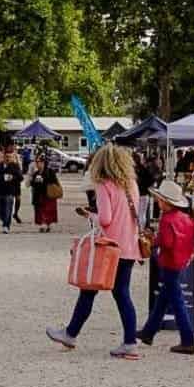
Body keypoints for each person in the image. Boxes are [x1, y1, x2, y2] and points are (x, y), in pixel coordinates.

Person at [46, 143, 144, 359]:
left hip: (109, 247)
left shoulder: (104, 185)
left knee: (88, 290)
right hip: (128, 246)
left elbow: (106, 219)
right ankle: (130, 342)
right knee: (122, 294)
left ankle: (70, 334)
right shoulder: (131, 185)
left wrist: (90, 215)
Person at [137, 179, 194, 354]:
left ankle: (187, 341)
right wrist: (191, 248)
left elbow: (166, 242)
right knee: (163, 299)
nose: (157, 201)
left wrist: (153, 241)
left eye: (159, 199)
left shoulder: (166, 219)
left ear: (165, 202)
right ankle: (148, 332)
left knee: (177, 302)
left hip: (169, 263)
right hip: (180, 261)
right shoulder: (184, 217)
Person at [0, 147, 23, 232]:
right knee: (0, 208)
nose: (8, 158)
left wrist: (13, 177)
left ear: (12, 157)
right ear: (3, 157)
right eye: (6, 157)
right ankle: (3, 219)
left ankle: (6, 225)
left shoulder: (15, 166)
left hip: (10, 191)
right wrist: (1, 178)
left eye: (10, 157)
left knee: (8, 208)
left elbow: (20, 177)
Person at [30, 154, 60, 232]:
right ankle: (44, 224)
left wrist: (43, 180)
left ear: (43, 162)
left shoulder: (50, 171)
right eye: (36, 162)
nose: (37, 164)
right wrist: (34, 181)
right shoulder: (36, 173)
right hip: (38, 194)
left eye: (39, 162)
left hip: (48, 194)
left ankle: (46, 224)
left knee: (48, 210)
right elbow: (32, 184)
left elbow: (54, 181)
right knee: (40, 210)